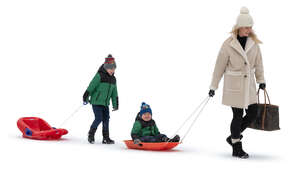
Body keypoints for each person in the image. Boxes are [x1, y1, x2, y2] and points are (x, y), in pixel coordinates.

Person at [208, 7, 266, 159]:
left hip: (249, 85)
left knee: (253, 112)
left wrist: (261, 80)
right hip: (234, 85)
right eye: (246, 27)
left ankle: (233, 137)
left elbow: (259, 64)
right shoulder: (228, 44)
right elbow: (219, 66)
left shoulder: (254, 43)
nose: (249, 29)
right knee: (237, 115)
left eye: (250, 27)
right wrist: (213, 86)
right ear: (239, 27)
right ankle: (237, 147)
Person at [83, 54, 119, 144]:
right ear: (105, 67)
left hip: (105, 103)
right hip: (96, 102)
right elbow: (92, 86)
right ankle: (91, 134)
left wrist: (115, 104)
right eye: (110, 68)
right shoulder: (99, 76)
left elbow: (114, 93)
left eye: (113, 68)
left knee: (106, 119)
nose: (112, 70)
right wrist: (86, 96)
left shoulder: (113, 79)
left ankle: (106, 138)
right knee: (99, 118)